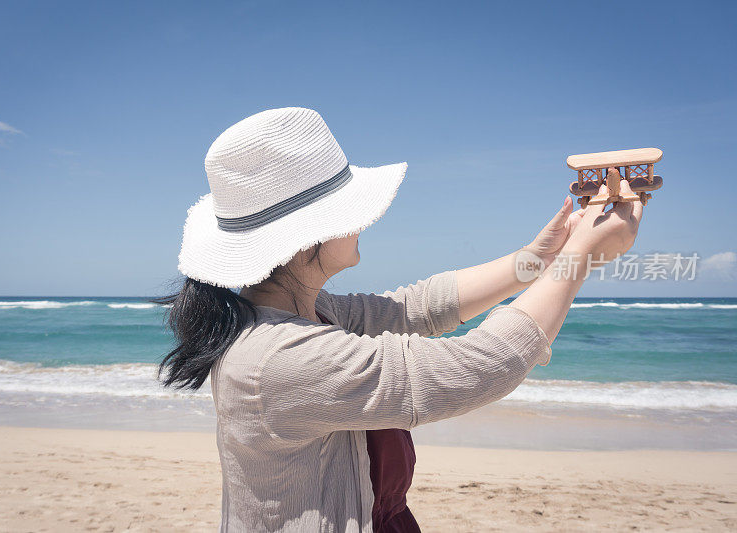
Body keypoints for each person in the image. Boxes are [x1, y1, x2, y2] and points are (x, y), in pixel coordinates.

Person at [154, 107, 642, 532]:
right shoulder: (278, 358)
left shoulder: (310, 312)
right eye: (350, 211)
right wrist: (582, 256)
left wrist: (540, 256)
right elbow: (478, 365)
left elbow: (418, 307)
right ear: (306, 238)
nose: (364, 221)